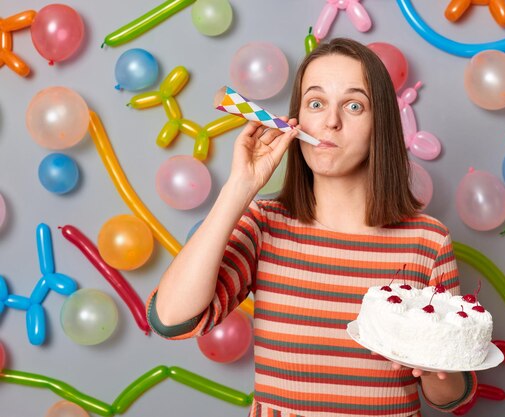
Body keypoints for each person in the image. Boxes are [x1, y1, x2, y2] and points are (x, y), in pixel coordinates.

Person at [147, 38, 476, 417]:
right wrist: (240, 188)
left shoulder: (427, 240)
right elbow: (170, 319)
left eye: (354, 106)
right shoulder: (264, 224)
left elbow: (452, 395)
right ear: (297, 118)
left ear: (380, 124)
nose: (330, 121)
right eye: (316, 103)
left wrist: (437, 369)